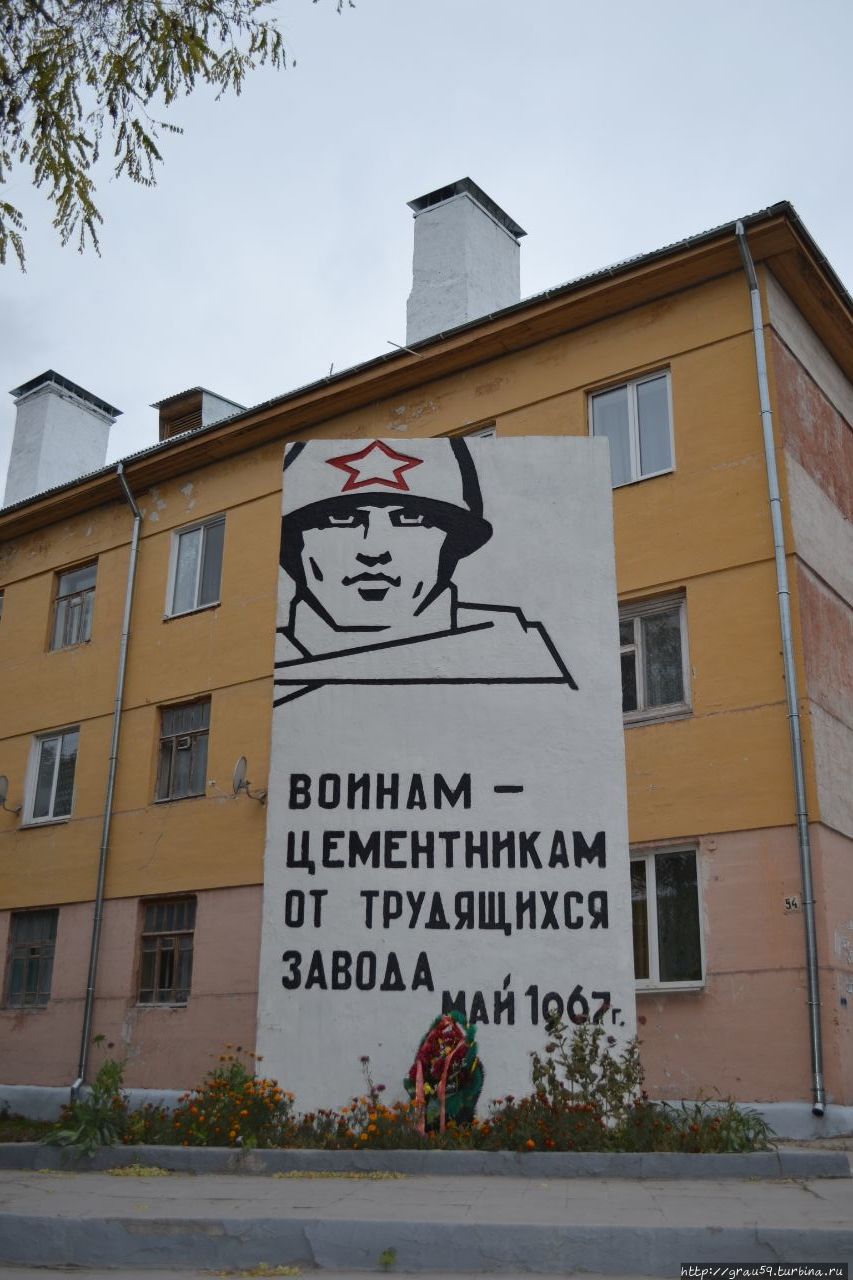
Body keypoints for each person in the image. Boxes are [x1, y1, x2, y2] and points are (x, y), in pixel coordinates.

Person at [274, 438, 576, 704]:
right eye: (341, 518)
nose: (374, 551)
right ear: (294, 544)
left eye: (409, 518)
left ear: (453, 544)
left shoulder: (521, 659)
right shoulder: (254, 679)